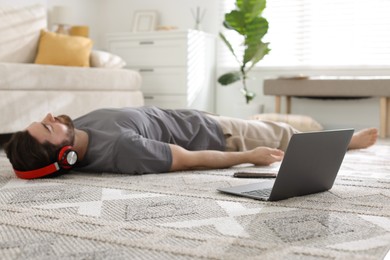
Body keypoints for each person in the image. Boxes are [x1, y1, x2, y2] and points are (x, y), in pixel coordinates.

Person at [4, 106, 378, 179]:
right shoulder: (122, 150)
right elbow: (185, 158)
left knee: (264, 121)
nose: (52, 117)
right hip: (215, 134)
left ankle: (257, 122)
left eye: (44, 121)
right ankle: (351, 143)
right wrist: (246, 155)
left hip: (194, 117)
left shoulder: (79, 126)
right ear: (66, 154)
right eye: (49, 128)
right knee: (286, 133)